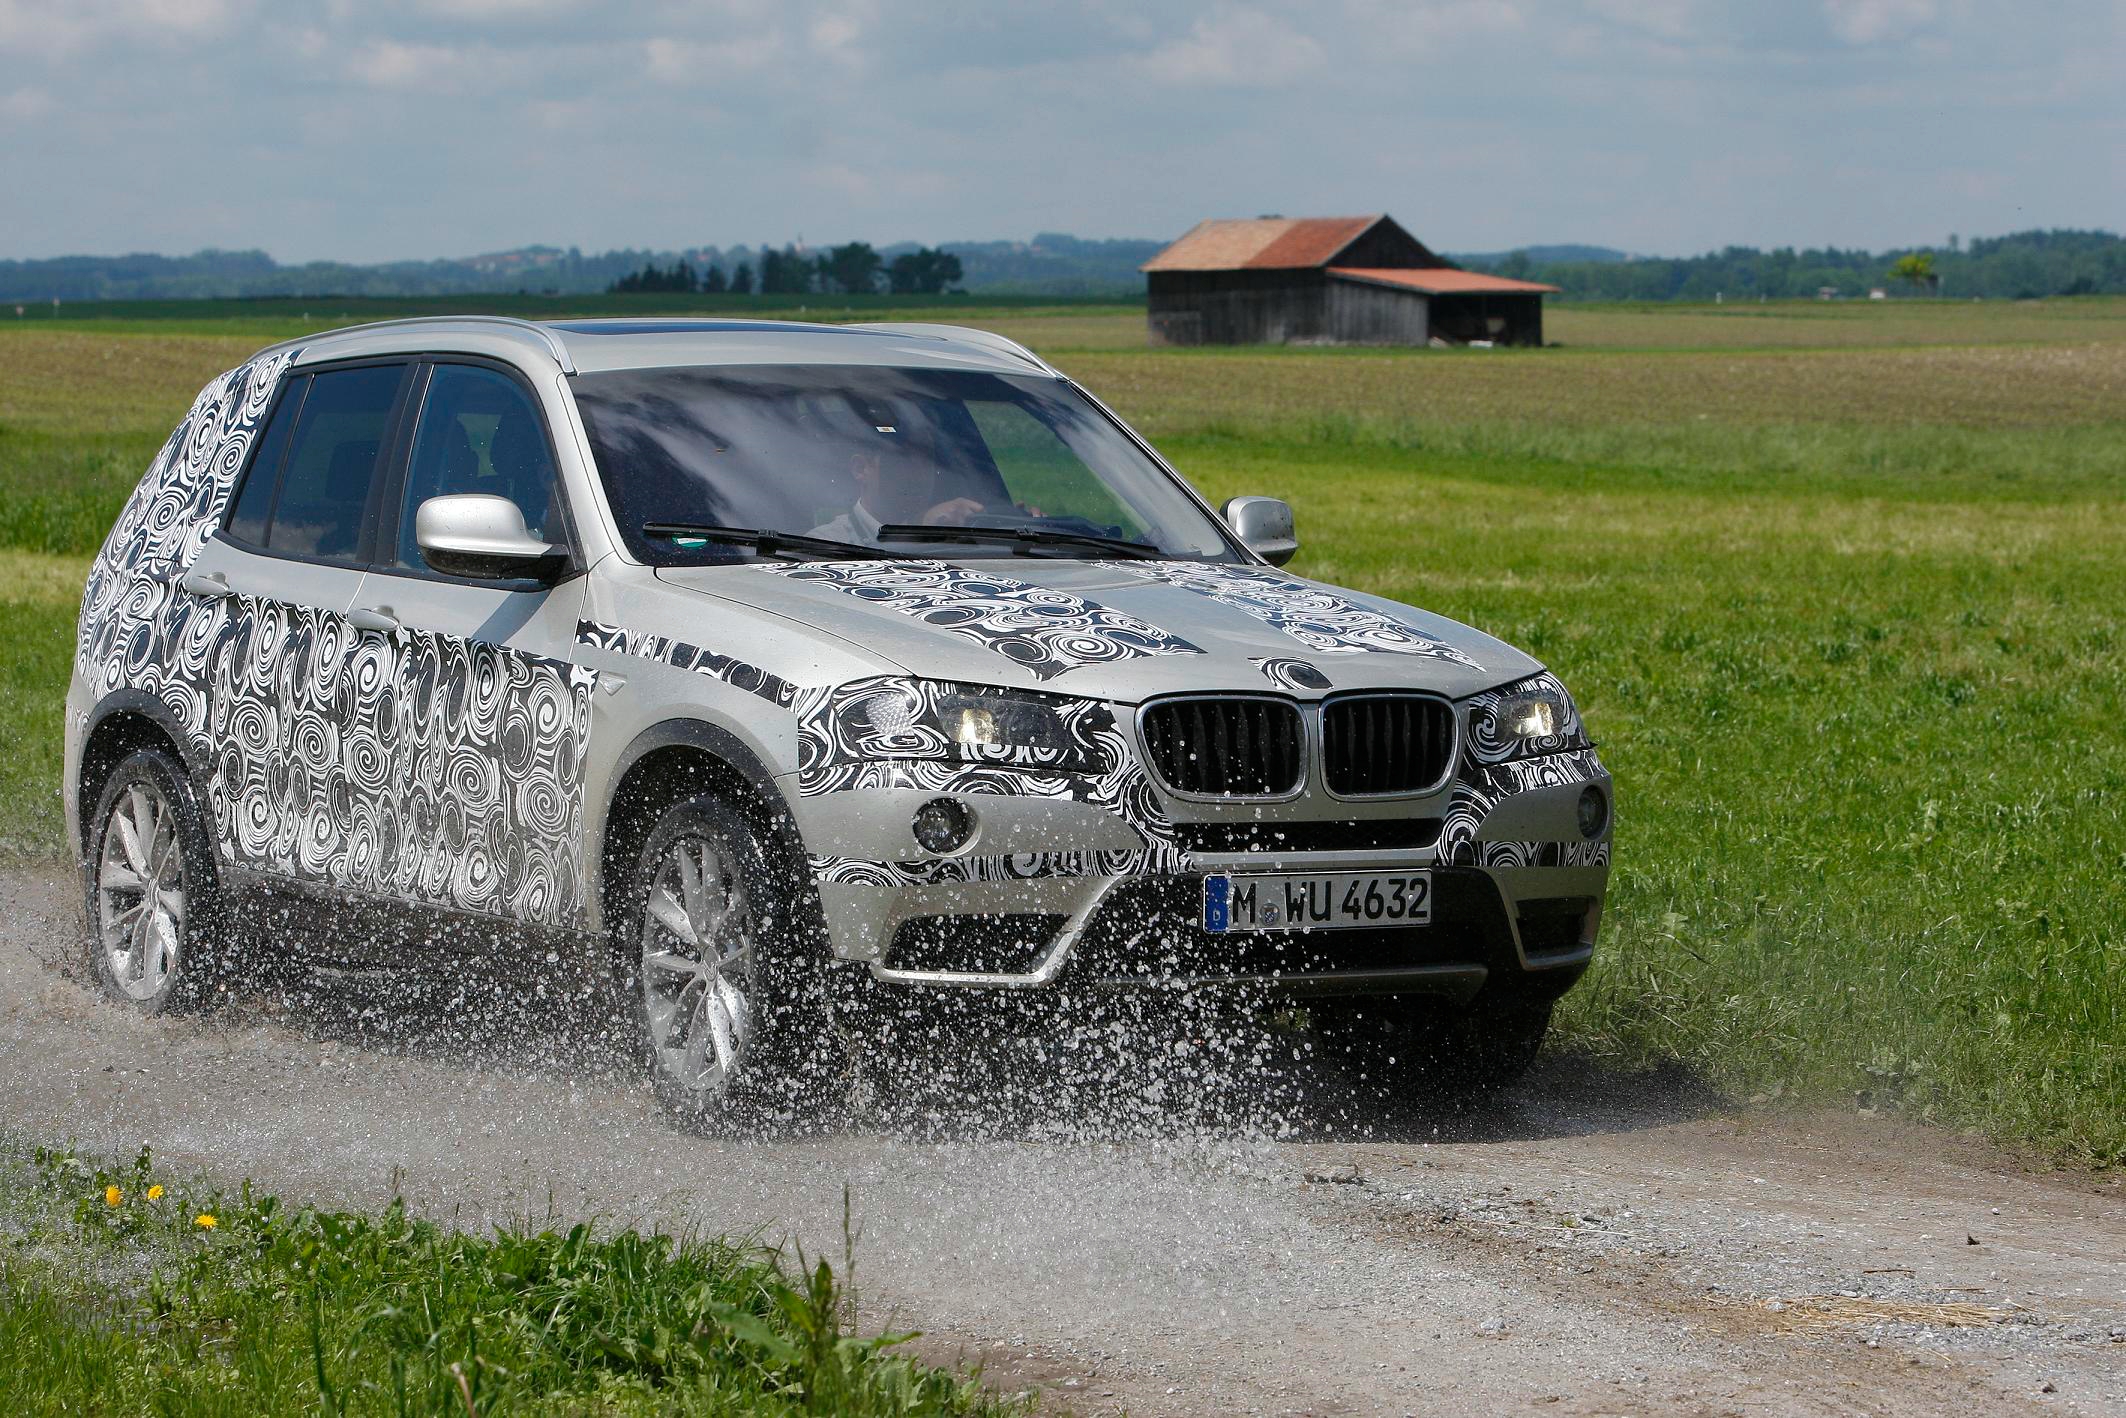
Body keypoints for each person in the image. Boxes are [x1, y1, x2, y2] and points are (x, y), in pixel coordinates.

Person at [809, 414, 985, 546]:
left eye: (927, 458)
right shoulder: (827, 545)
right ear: (860, 469)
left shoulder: (963, 536)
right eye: (902, 459)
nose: (919, 472)